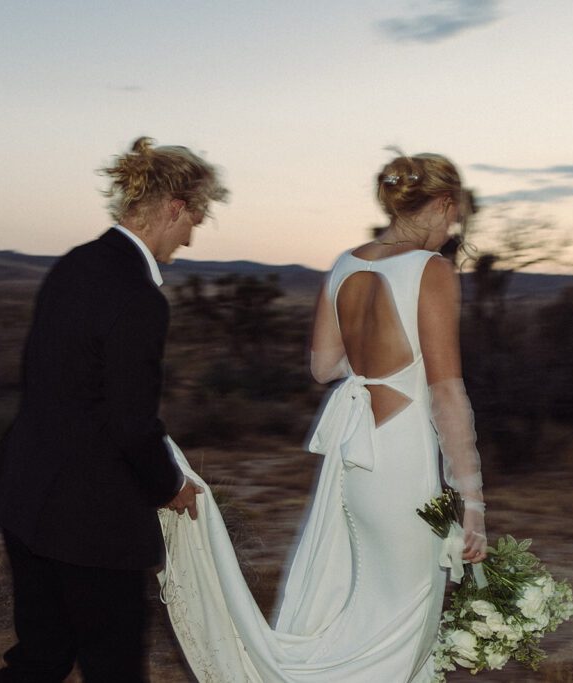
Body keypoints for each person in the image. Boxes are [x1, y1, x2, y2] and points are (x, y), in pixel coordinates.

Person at [157, 152, 487, 682]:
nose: (453, 231)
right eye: (455, 218)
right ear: (443, 203)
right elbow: (446, 392)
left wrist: (371, 365)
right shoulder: (432, 271)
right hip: (402, 458)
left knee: (366, 609)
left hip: (355, 459)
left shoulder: (346, 263)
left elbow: (323, 367)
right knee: (402, 620)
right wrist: (471, 499)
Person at [0, 136, 228, 682]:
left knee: (41, 657)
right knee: (114, 667)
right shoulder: (138, 296)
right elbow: (131, 422)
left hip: (26, 492)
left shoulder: (74, 265)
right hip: (89, 518)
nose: (190, 238)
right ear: (174, 207)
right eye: (193, 221)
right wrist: (168, 485)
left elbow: (54, 386)